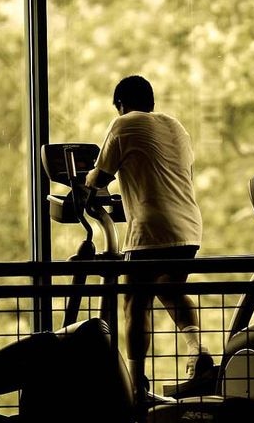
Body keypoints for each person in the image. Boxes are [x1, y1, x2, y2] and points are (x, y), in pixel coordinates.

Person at [84, 75, 211, 397]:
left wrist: (83, 180)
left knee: (134, 301)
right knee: (169, 287)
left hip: (153, 229)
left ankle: (137, 384)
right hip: (189, 225)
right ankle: (199, 352)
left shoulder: (123, 124)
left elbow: (99, 178)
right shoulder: (176, 127)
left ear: (120, 105)